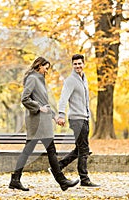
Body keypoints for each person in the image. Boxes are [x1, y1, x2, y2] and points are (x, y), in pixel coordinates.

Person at [9, 57, 79, 191]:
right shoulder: (32, 78)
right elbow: (25, 98)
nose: (46, 71)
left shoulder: (40, 79)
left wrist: (54, 116)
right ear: (39, 66)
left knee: (38, 150)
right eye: (45, 68)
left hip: (43, 121)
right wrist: (38, 107)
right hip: (37, 121)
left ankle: (15, 179)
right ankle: (61, 180)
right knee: (48, 150)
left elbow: (44, 103)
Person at [55, 54, 100, 187]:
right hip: (76, 119)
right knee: (84, 149)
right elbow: (63, 98)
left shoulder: (84, 79)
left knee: (80, 149)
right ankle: (84, 179)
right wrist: (61, 114)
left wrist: (88, 117)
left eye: (80, 63)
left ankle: (57, 167)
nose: (78, 66)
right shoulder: (70, 81)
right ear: (72, 65)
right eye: (75, 64)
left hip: (84, 118)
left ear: (83, 64)